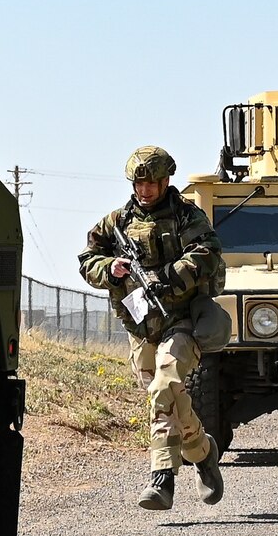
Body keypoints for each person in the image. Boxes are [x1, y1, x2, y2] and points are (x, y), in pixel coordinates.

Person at [80, 146, 227, 510]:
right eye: (138, 183)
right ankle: (203, 451)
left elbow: (208, 253)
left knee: (164, 386)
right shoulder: (116, 223)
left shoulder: (186, 216)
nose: (144, 190)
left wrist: (168, 277)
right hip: (141, 326)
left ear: (165, 181)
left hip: (181, 321)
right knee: (167, 399)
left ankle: (162, 479)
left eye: (151, 183)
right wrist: (110, 268)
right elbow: (87, 260)